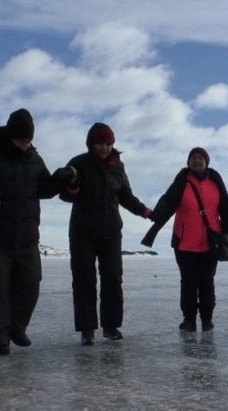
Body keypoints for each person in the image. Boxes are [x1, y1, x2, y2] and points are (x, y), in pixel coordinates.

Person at [0, 108, 74, 355]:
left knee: (30, 285)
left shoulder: (34, 159)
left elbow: (45, 189)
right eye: (21, 140)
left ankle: (17, 328)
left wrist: (62, 177)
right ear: (9, 135)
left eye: (29, 141)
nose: (25, 146)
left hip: (27, 238)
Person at [59, 122, 152, 345]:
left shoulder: (118, 167)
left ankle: (111, 326)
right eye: (100, 143)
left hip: (111, 232)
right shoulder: (78, 163)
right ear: (91, 143)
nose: (104, 148)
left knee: (112, 278)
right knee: (84, 280)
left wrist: (146, 211)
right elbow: (65, 195)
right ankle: (87, 329)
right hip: (83, 232)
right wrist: (72, 186)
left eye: (108, 143)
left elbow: (126, 197)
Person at [141, 147, 228, 332]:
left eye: (201, 158)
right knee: (188, 282)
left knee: (207, 281)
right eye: (193, 158)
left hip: (210, 242)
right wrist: (155, 215)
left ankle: (207, 319)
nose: (197, 161)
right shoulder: (182, 182)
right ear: (188, 162)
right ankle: (189, 319)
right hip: (184, 242)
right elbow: (167, 200)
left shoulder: (215, 182)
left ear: (207, 162)